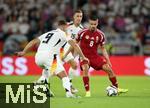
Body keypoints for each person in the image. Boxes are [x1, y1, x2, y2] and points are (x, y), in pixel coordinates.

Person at [16, 20, 88, 98]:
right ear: (63, 26)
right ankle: (69, 94)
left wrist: (24, 52)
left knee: (48, 72)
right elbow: (75, 45)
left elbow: (33, 42)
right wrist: (83, 57)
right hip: (49, 56)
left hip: (38, 57)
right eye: (66, 27)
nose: (67, 28)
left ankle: (40, 84)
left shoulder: (48, 33)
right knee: (64, 76)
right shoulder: (64, 34)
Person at [75, 16, 128, 97]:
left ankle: (117, 89)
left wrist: (108, 60)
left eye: (95, 24)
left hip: (95, 57)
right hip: (84, 56)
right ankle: (88, 92)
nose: (93, 26)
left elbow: (103, 49)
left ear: (97, 23)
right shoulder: (82, 32)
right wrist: (72, 54)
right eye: (91, 24)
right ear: (89, 23)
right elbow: (74, 44)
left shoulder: (101, 35)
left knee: (109, 69)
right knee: (85, 69)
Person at [39, 9, 84, 94]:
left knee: (74, 65)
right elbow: (57, 34)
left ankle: (69, 84)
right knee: (52, 70)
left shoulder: (82, 30)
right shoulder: (67, 25)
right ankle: (41, 83)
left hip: (68, 50)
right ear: (74, 17)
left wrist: (74, 56)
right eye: (77, 16)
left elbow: (77, 44)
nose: (79, 18)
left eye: (81, 16)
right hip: (59, 50)